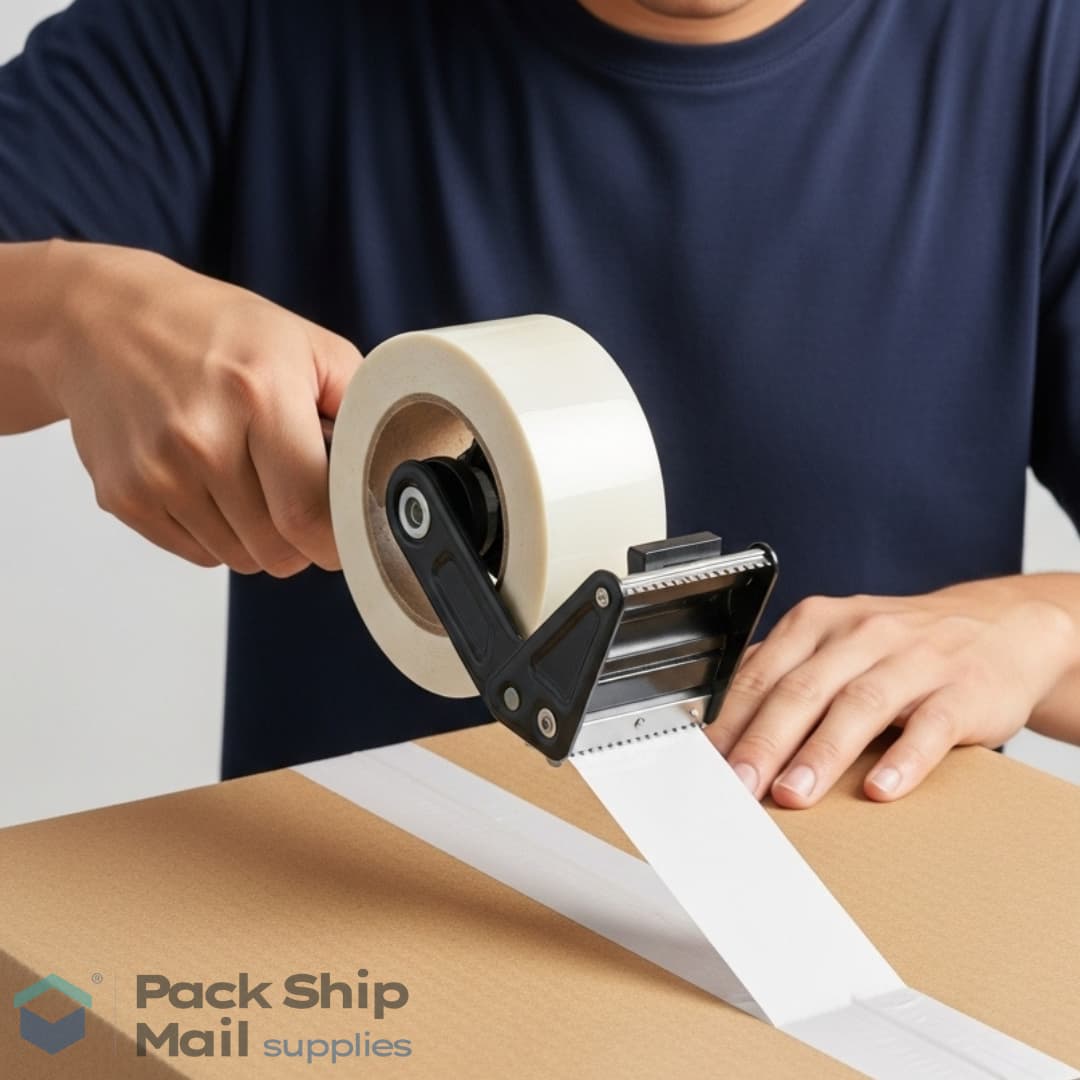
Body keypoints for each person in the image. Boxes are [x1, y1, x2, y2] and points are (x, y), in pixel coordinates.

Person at [2, 0, 1080, 808]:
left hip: (883, 938)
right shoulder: (253, 23)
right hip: (352, 949)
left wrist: (1039, 634)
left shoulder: (1041, 56)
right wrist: (71, 312)